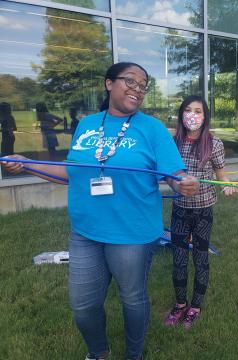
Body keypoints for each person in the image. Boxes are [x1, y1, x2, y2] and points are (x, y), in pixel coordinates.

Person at [1, 62, 199, 360]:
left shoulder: (152, 128)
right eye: (130, 81)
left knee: (132, 298)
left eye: (143, 85)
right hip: (86, 231)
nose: (137, 89)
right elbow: (72, 172)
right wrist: (26, 162)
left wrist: (181, 182)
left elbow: (174, 174)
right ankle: (98, 352)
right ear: (109, 84)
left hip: (132, 232)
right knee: (82, 305)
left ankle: (133, 355)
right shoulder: (87, 124)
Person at [164, 95, 238, 329]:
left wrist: (226, 184)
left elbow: (221, 174)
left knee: (200, 257)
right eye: (188, 110)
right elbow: (168, 173)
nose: (192, 115)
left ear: (205, 116)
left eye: (198, 111)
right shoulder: (173, 142)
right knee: (178, 259)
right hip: (180, 208)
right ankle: (179, 303)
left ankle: (195, 305)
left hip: (203, 209)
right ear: (181, 114)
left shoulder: (214, 144)